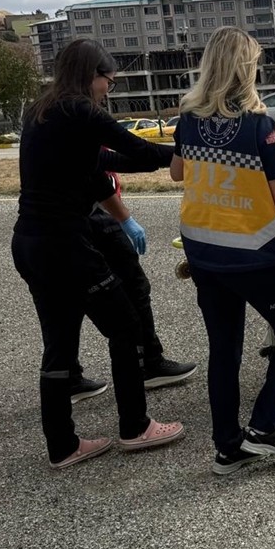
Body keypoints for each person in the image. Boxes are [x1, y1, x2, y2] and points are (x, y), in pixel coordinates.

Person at [11, 39, 185, 470]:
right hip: (64, 244)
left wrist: (169, 157)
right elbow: (136, 151)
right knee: (125, 329)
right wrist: (188, 151)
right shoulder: (81, 111)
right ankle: (136, 427)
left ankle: (64, 446)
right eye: (109, 80)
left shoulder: (42, 112)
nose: (109, 88)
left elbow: (102, 162)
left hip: (29, 243)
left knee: (60, 344)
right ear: (93, 74)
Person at [171, 26, 275, 477]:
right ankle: (264, 429)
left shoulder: (187, 117)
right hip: (252, 251)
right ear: (247, 68)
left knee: (224, 350)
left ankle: (228, 448)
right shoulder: (260, 126)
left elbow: (177, 173)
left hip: (204, 249)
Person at [66, 165, 199, 405]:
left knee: (67, 302)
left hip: (60, 223)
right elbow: (104, 161)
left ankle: (68, 376)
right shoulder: (80, 130)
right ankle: (149, 363)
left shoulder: (42, 133)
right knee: (133, 291)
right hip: (92, 215)